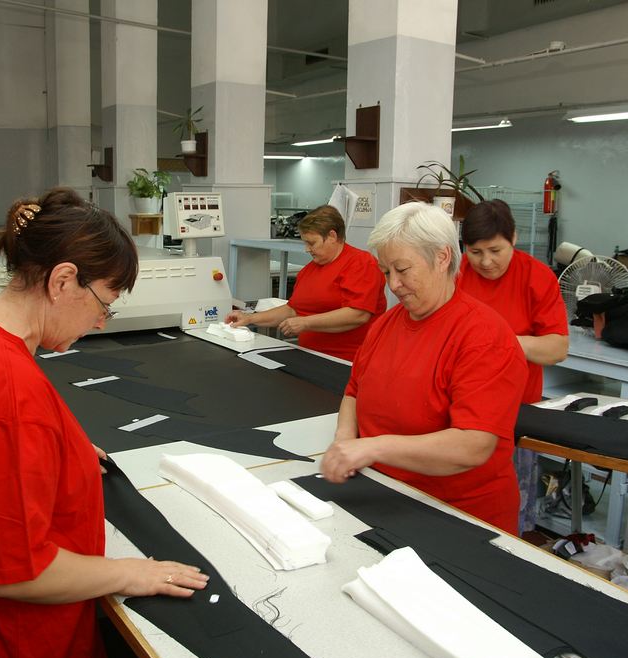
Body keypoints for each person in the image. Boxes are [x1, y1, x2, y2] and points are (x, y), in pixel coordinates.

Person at [0, 188, 208, 658]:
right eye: (105, 303)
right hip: (7, 644)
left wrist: (60, 451)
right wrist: (131, 573)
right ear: (63, 281)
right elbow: (20, 573)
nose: (102, 322)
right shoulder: (5, 389)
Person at [320, 202, 528, 534]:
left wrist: (372, 447)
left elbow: (473, 445)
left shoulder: (484, 336)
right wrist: (344, 441)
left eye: (403, 270)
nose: (393, 284)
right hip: (386, 496)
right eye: (386, 272)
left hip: (458, 518)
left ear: (442, 258)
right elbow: (354, 391)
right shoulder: (385, 325)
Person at [457, 199, 569, 534]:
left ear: (514, 238)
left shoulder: (536, 277)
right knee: (459, 503)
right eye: (475, 252)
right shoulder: (456, 273)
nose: (486, 262)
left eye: (495, 250)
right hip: (459, 408)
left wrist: (500, 340)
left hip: (515, 410)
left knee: (507, 509)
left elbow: (557, 348)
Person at [225, 205, 386, 361]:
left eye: (312, 243)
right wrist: (250, 318)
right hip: (311, 356)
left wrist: (306, 322)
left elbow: (358, 314)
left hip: (348, 361)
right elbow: (292, 310)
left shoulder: (360, 263)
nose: (307, 249)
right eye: (305, 243)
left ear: (332, 236)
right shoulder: (309, 270)